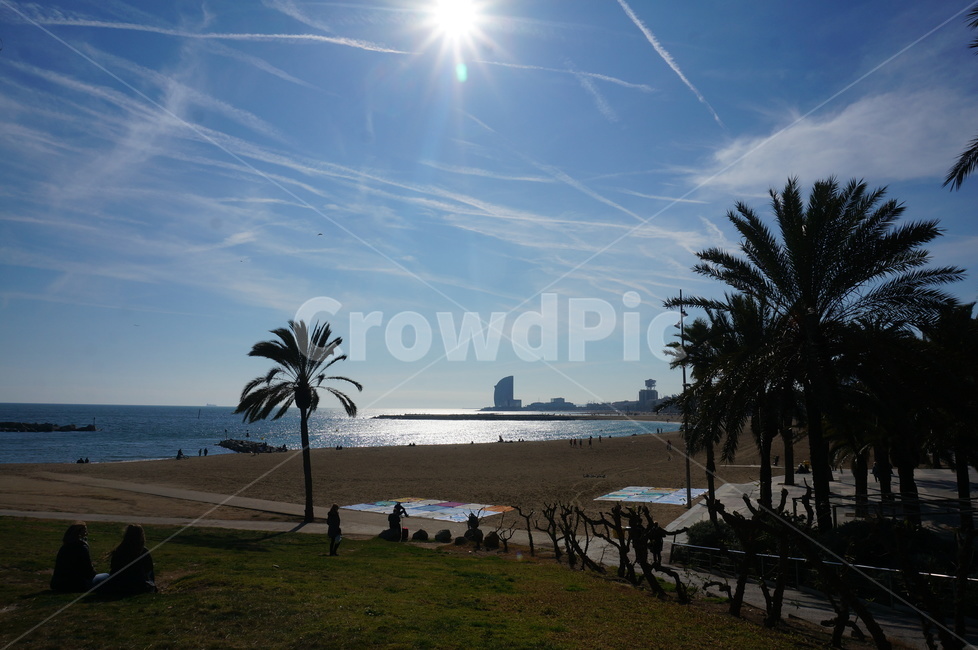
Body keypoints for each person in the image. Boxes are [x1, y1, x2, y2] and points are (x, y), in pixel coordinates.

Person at [51, 522, 108, 592]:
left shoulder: (65, 546)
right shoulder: (82, 547)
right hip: (77, 584)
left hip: (58, 583)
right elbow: (89, 571)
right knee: (106, 576)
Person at [103, 525, 157, 596]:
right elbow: (148, 569)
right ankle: (151, 584)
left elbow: (113, 567)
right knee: (149, 574)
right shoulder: (142, 551)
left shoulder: (119, 550)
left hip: (118, 584)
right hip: (135, 585)